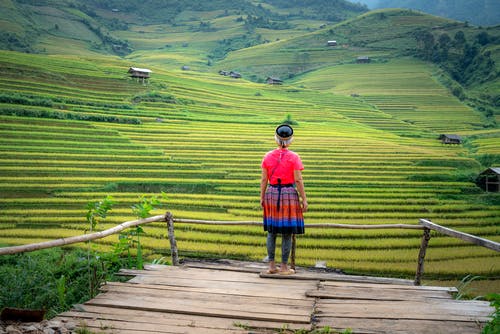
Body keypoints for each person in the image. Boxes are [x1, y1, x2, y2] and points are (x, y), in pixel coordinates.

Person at [260, 124, 308, 275]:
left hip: (271, 193)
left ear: (276, 139)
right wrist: (304, 199)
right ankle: (284, 268)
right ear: (290, 141)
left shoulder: (267, 156)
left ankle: (271, 267)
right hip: (289, 194)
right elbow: (298, 180)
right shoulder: (294, 157)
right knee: (287, 232)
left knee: (271, 231)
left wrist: (262, 197)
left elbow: (263, 180)